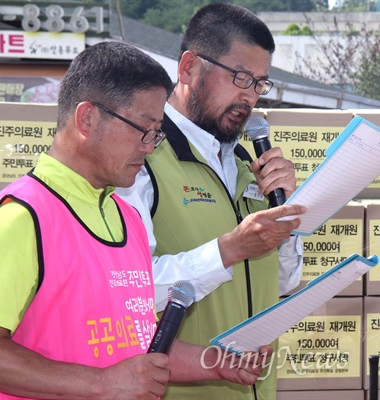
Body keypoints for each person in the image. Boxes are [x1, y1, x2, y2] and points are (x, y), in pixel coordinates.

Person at [0, 41, 272, 400]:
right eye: (143, 128)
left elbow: (130, 341)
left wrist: (217, 362)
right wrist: (101, 385)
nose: (151, 146)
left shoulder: (126, 217)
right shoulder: (22, 217)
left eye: (157, 132)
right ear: (87, 118)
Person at [116, 3, 307, 399]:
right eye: (239, 77)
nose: (249, 96)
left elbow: (284, 282)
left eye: (260, 84)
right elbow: (126, 290)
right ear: (188, 68)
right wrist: (228, 250)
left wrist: (287, 216)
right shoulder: (141, 161)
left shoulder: (246, 163)